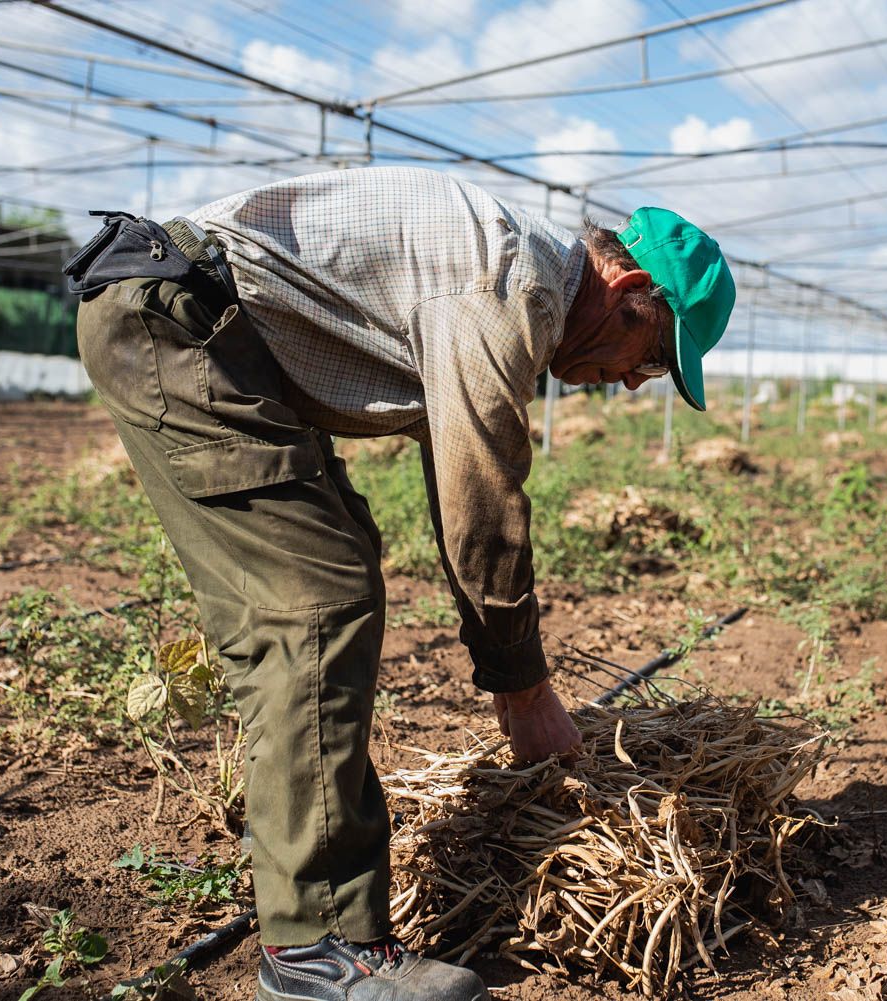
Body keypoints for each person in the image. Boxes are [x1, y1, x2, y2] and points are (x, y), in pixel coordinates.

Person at [66, 166, 735, 1001]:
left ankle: (310, 871)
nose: (638, 380)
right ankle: (317, 948)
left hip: (199, 325)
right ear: (628, 287)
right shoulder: (510, 286)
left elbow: (452, 462)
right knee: (316, 598)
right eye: (652, 354)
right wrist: (523, 692)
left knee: (330, 563)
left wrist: (508, 663)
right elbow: (481, 498)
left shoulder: (508, 275)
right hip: (180, 324)